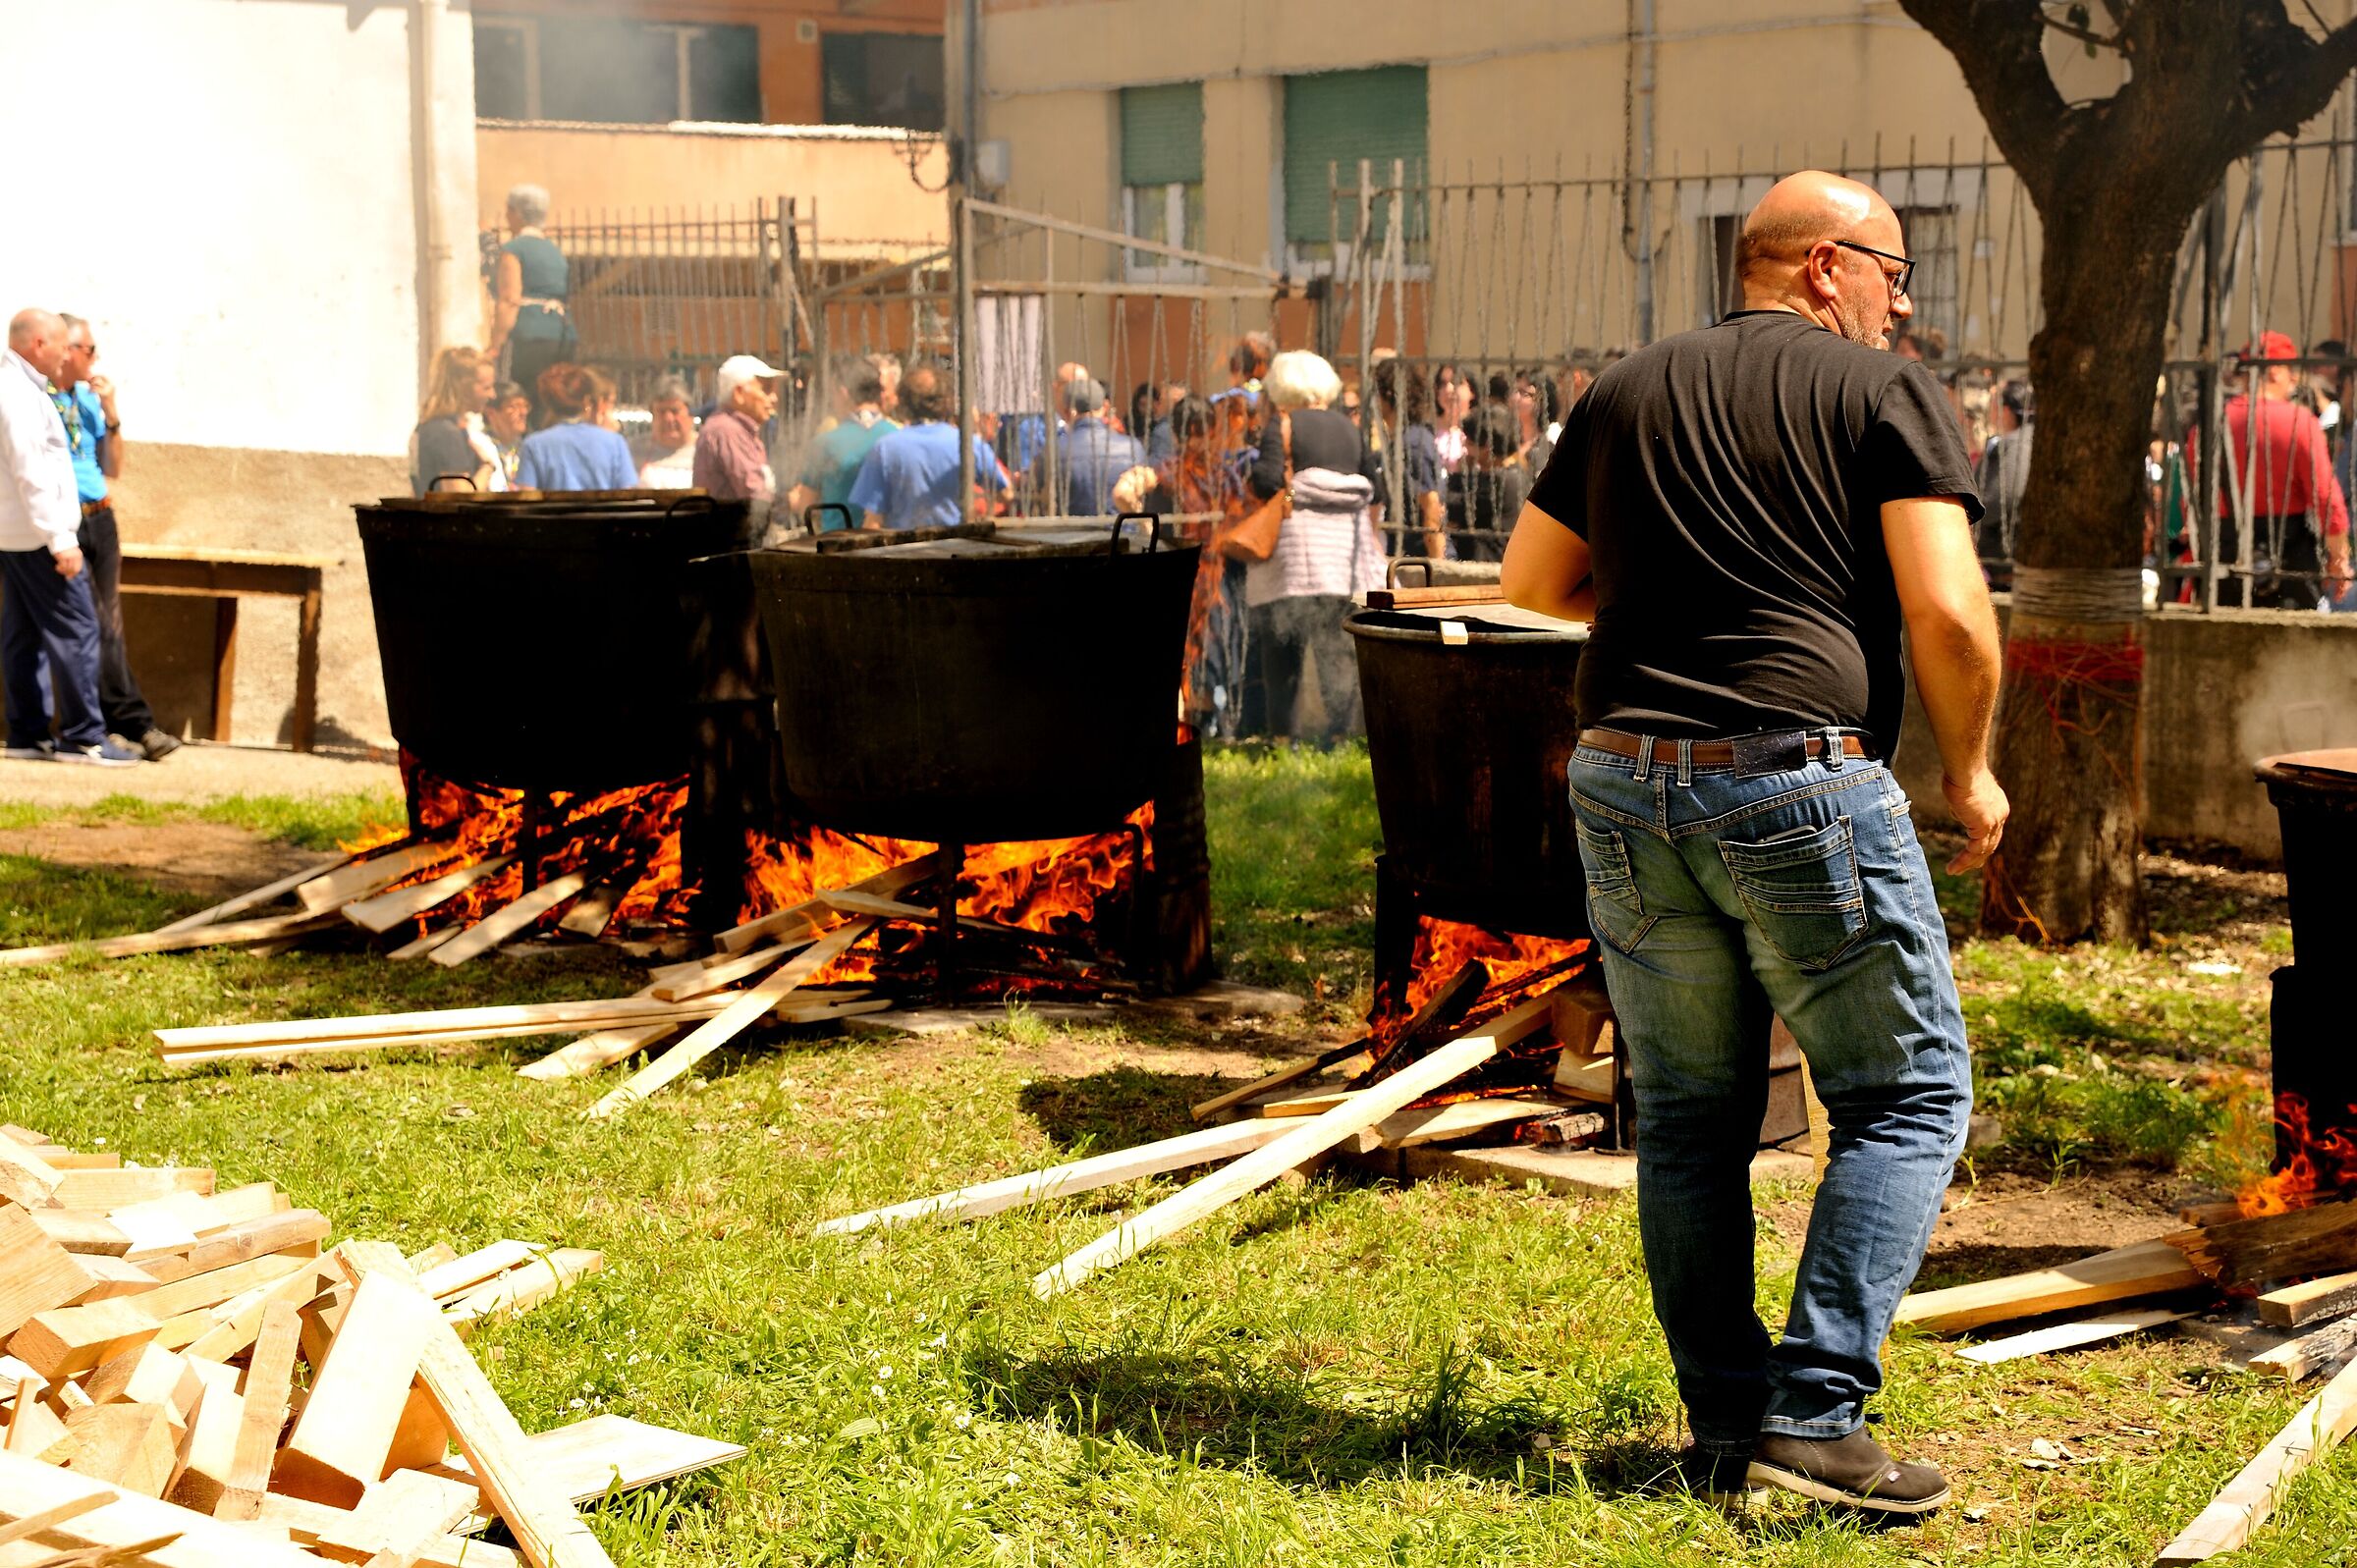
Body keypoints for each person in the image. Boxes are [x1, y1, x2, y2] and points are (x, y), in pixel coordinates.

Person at [1503, 170, 2003, 1515]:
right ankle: (1817, 1409)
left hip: (1620, 778)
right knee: (1906, 1095)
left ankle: (1726, 1421)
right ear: (1825, 265)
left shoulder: (1623, 389)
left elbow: (1532, 584)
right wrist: (1972, 770)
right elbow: (1950, 614)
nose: (1905, 299)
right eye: (1894, 270)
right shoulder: (1883, 393)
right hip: (1793, 782)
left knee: (1685, 1114)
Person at [1, 309, 137, 765]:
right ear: (39, 344)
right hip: (40, 536)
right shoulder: (18, 393)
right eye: (62, 344)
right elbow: (30, 472)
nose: (68, 354)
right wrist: (60, 538)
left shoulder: (20, 387)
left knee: (22, 633)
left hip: (20, 534)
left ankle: (26, 734)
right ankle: (83, 736)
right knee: (78, 627)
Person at [1242, 350, 1385, 741]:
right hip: (1343, 556)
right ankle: (1340, 736)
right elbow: (1377, 491)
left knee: (1282, 649)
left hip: (1295, 556)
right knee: (1335, 650)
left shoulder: (1283, 425)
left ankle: (1282, 738)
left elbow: (1269, 480)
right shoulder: (1348, 427)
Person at [53, 316, 172, 759]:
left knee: (110, 625)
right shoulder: (39, 401)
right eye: (90, 349)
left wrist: (112, 414)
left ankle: (118, 725)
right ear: (67, 350)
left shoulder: (88, 401)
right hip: (64, 522)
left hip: (101, 517)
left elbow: (113, 468)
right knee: (92, 625)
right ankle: (128, 725)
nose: (96, 358)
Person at [2189, 331, 2354, 608]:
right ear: (2276, 371)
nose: (2294, 382)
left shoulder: (2209, 425)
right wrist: (2339, 561)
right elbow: (2327, 500)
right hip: (2287, 560)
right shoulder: (2299, 421)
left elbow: (2192, 498)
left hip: (2225, 556)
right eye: (2292, 373)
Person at [848, 364, 1008, 530]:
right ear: (947, 402)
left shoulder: (885, 448)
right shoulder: (968, 444)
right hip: (959, 547)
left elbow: (873, 520)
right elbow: (1006, 494)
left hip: (902, 550)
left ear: (903, 402)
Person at [485, 185, 577, 423]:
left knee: (517, 397)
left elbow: (509, 298)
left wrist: (495, 345)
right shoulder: (555, 251)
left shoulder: (514, 249)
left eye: (508, 211)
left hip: (528, 334)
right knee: (549, 399)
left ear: (517, 212)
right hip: (561, 333)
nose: (506, 216)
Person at [785, 358, 898, 526]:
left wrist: (795, 502)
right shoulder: (898, 436)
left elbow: (806, 507)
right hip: (892, 546)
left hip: (837, 546)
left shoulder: (824, 443)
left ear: (843, 393)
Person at [514, 364, 635, 491]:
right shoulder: (615, 443)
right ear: (586, 401)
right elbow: (626, 495)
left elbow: (526, 497)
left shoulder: (533, 445)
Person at [1032, 377, 1144, 515]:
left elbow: (1041, 491)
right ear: (1105, 407)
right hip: (1122, 534)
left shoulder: (1052, 452)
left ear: (1067, 412)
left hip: (1070, 535)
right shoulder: (1133, 448)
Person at [1368, 357, 1444, 559]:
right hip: (1403, 554)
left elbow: (1431, 507)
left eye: (1375, 393)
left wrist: (1439, 569)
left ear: (1389, 394)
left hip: (1420, 559)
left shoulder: (1413, 443)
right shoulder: (1399, 441)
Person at [690, 354, 782, 504]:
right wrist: (789, 502)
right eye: (766, 389)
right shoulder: (728, 431)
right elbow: (754, 495)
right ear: (739, 393)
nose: (773, 398)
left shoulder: (736, 430)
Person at [411, 347, 498, 495]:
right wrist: (487, 467)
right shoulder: (446, 433)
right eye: (486, 387)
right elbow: (459, 497)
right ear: (464, 387)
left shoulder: (432, 425)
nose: (493, 395)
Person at [1974, 379, 2034, 588]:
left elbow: (2006, 496)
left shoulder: (2016, 444)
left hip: (2005, 558)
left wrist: (1972, 520)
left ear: (2006, 411)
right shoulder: (2023, 440)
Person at [1454, 404, 1530, 563]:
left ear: (1487, 448)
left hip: (1489, 568)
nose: (1465, 448)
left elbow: (1456, 506)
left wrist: (1458, 472)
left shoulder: (1500, 480)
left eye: (1469, 443)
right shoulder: (1516, 473)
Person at [630, 376, 699, 489]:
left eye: (674, 411)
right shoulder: (633, 449)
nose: (668, 419)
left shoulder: (704, 450)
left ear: (691, 415)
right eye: (661, 412)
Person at [484, 380, 530, 487]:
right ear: (491, 413)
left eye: (525, 406)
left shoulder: (526, 448)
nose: (523, 412)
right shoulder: (480, 445)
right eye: (513, 407)